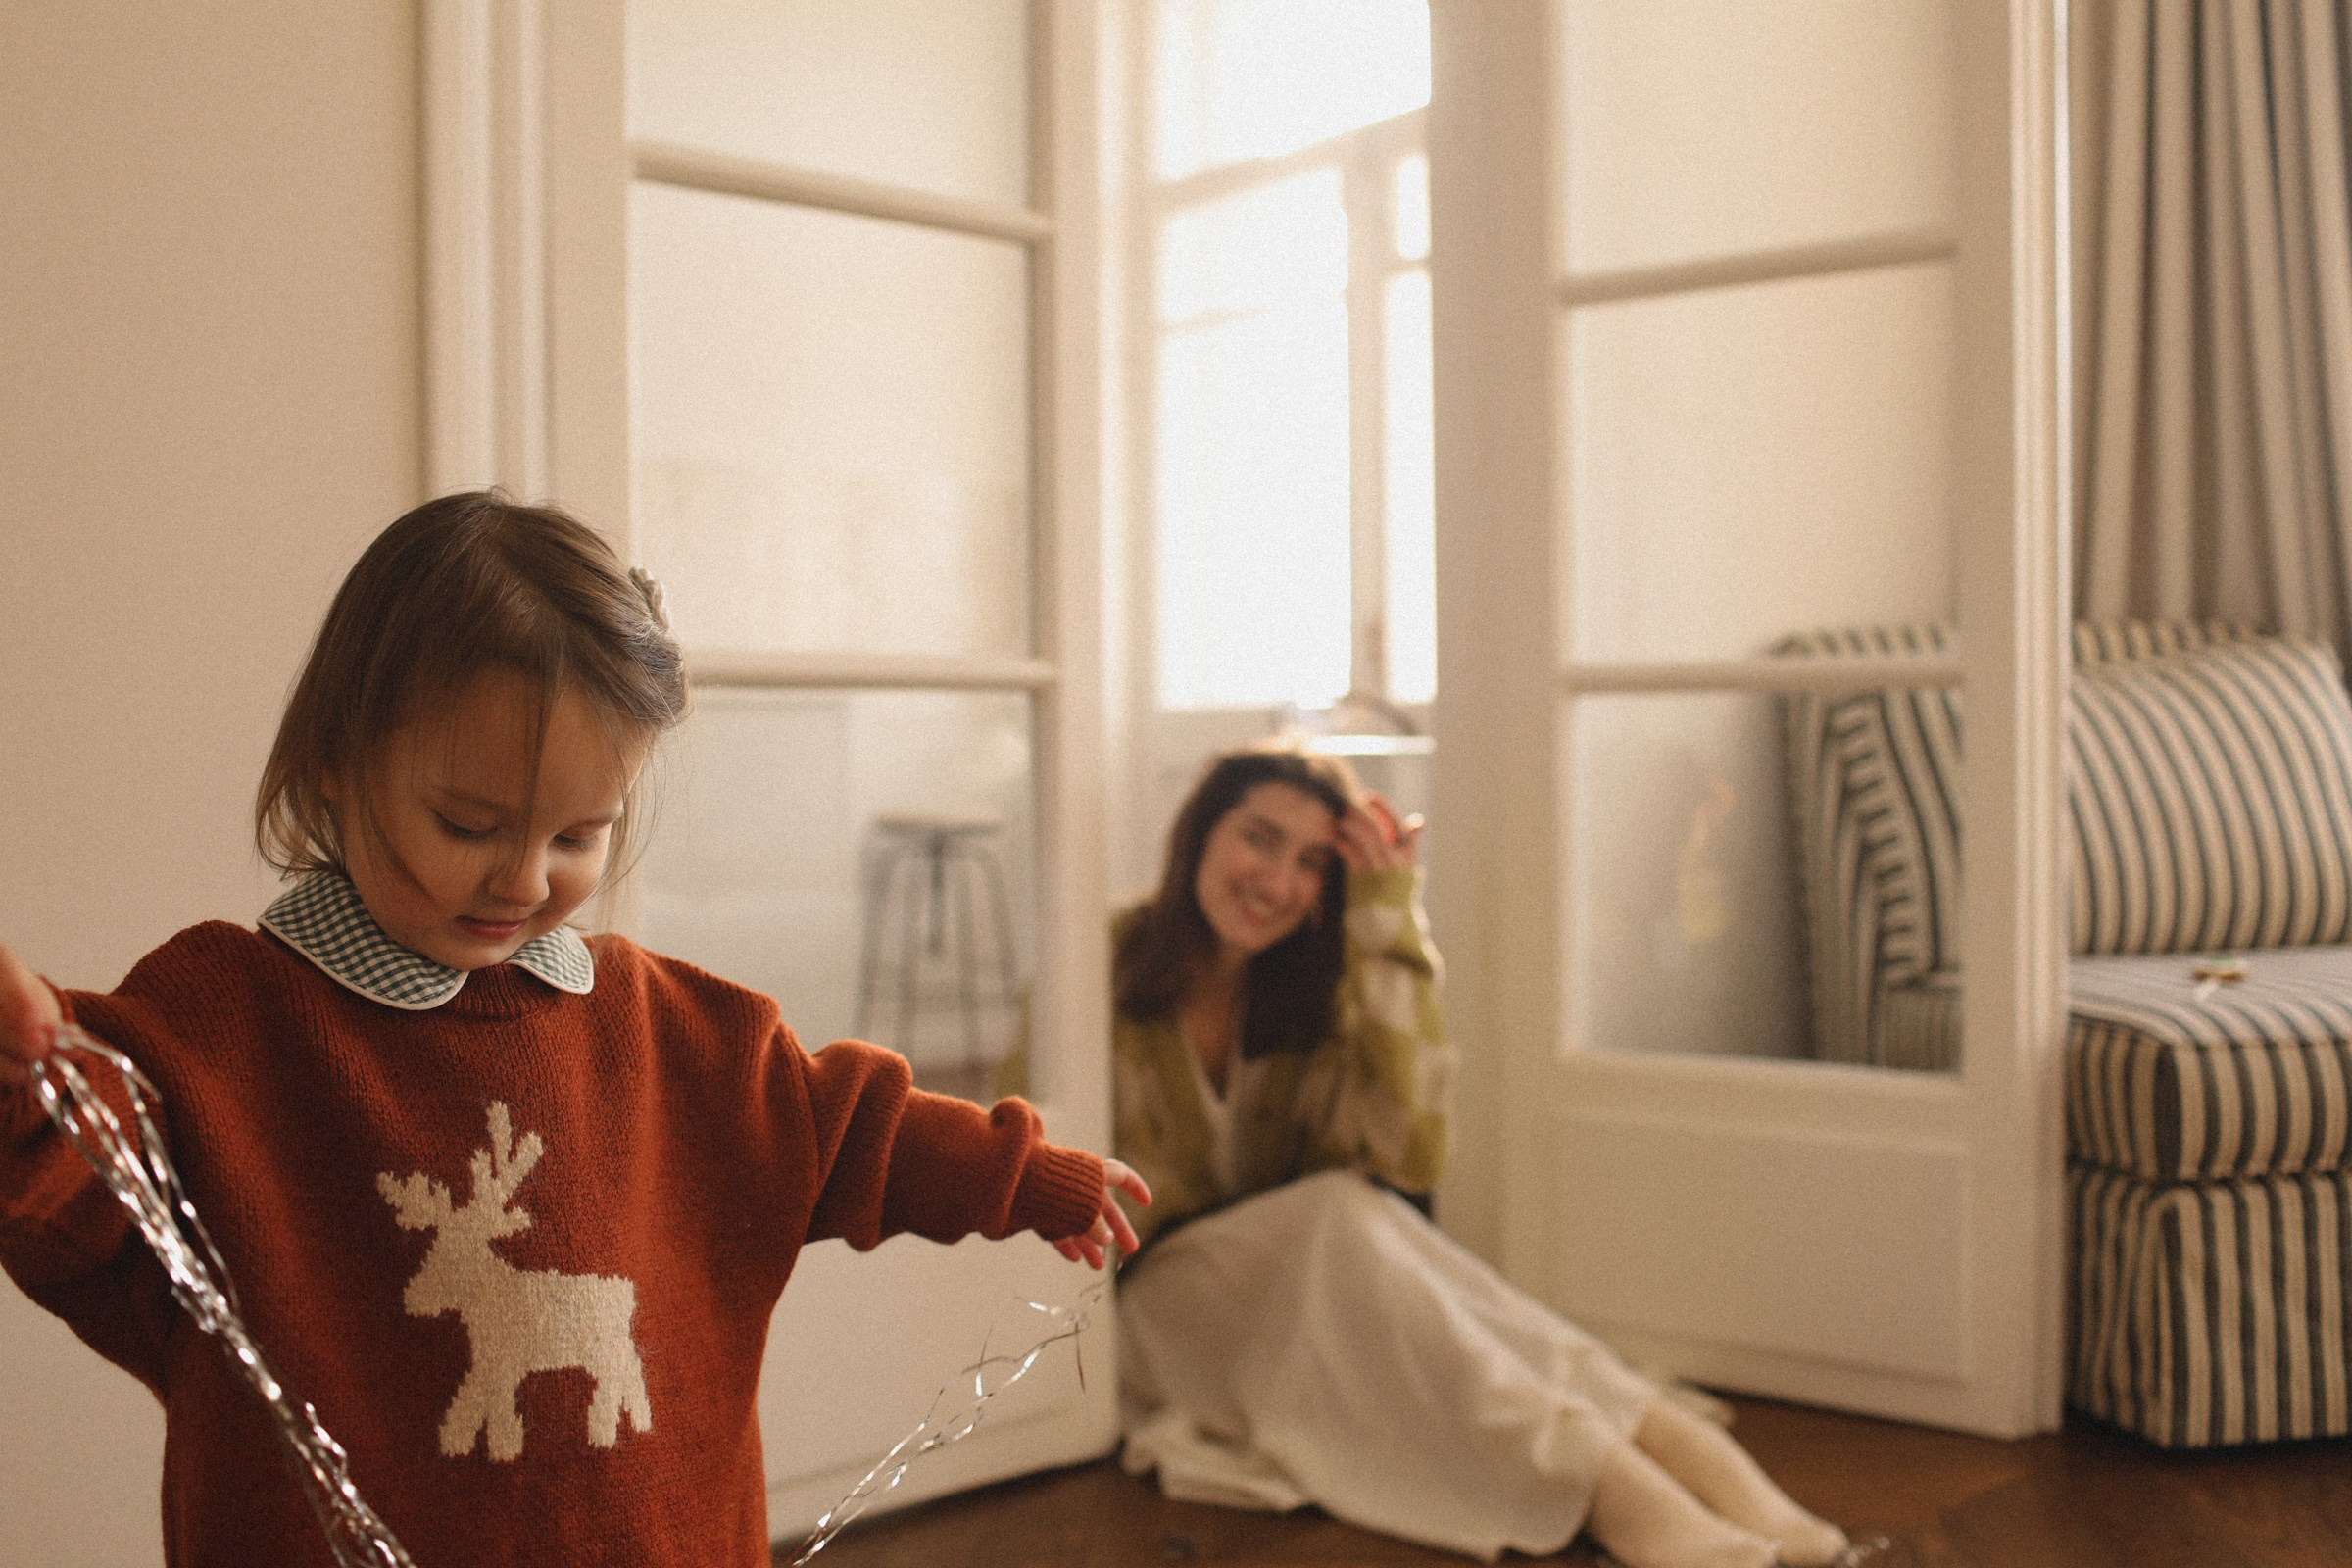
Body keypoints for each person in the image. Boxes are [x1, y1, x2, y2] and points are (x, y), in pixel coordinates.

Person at [0, 492, 1147, 1568]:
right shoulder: (221, 1021)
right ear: (335, 766)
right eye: (469, 822)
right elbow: (81, 1164)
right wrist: (25, 1078)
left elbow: (851, 1126)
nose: (522, 877)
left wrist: (1020, 1172)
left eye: (577, 836)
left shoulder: (671, 1026)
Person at [1109, 743, 1846, 1568]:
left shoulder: (1310, 981)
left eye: (1313, 862)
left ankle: (1679, 1454)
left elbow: (1412, 1153)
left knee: (1362, 1220)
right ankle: (1619, 1494)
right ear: (1200, 834)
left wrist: (1388, 919)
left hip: (1299, 1292)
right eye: (1259, 838)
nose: (1277, 883)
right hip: (1153, 1314)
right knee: (1339, 1216)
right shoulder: (1102, 961)